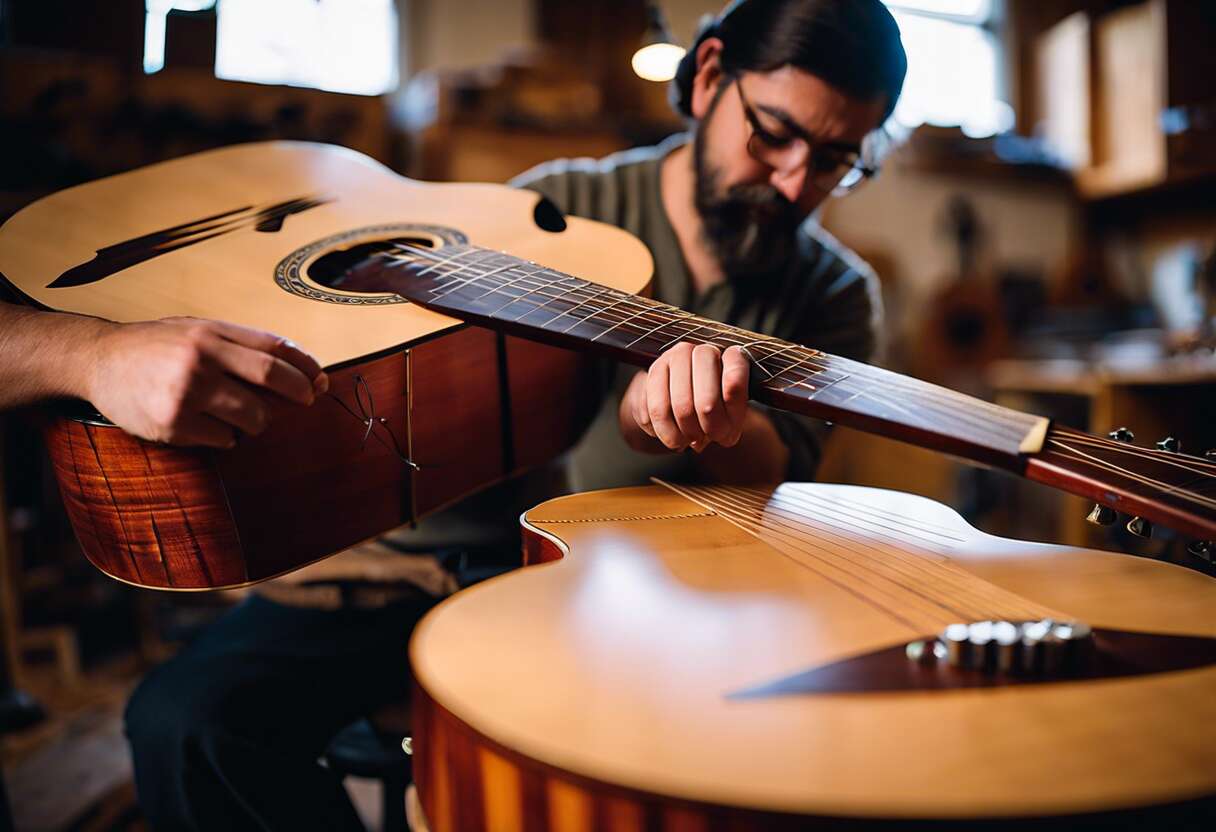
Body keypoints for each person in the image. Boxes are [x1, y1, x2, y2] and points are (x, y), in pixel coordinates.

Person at [0, 1, 906, 828]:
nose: (796, 181)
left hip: (622, 599)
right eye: (774, 134)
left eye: (836, 160)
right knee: (181, 722)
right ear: (708, 78)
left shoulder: (836, 294)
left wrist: (706, 428)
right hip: (405, 563)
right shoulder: (558, 207)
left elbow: (779, 472)